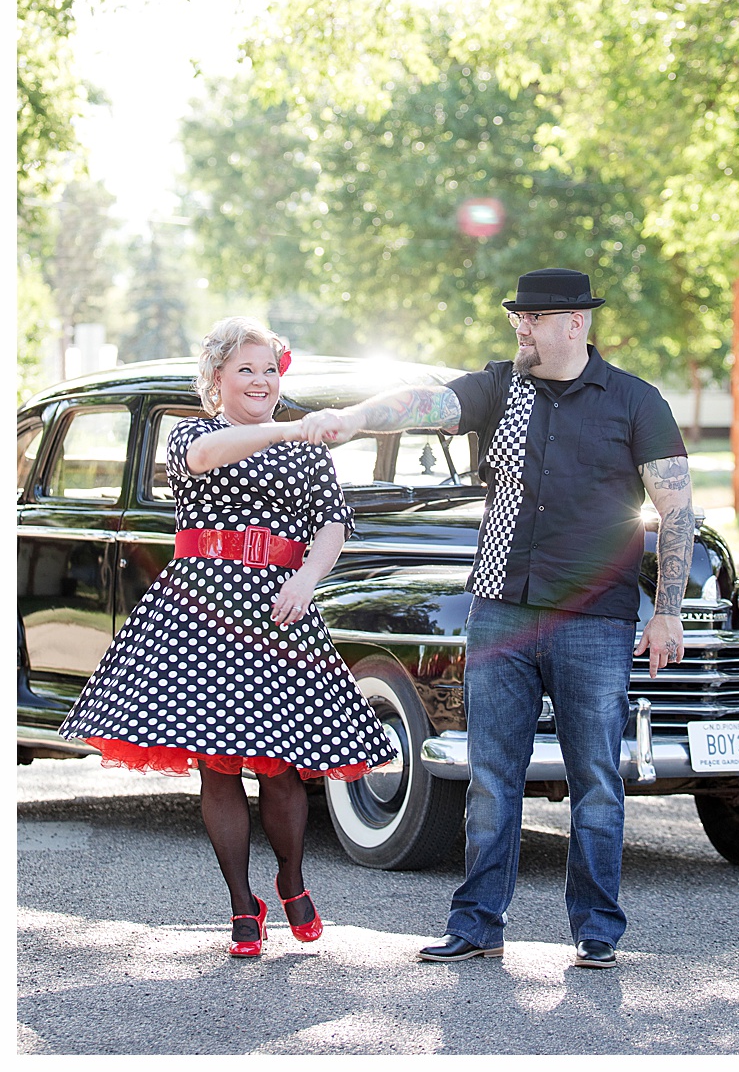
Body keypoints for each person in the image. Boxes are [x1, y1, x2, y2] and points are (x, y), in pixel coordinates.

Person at [300, 268, 693, 970]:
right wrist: (358, 419)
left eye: (535, 317)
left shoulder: (636, 401)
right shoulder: (498, 386)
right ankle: (479, 923)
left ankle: (597, 930)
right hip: (499, 614)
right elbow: (427, 401)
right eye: (517, 316)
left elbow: (677, 511)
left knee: (596, 777)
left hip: (594, 621)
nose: (520, 327)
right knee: (490, 778)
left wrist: (666, 613)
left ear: (576, 323)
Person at [59, 317, 399, 957]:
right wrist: (294, 427)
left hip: (279, 610)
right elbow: (210, 458)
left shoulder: (304, 448)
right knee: (218, 767)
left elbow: (333, 525)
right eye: (246, 369)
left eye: (270, 370)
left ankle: (292, 879)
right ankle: (243, 907)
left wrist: (304, 581)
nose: (261, 381)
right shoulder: (193, 433)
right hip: (200, 611)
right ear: (217, 380)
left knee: (279, 770)